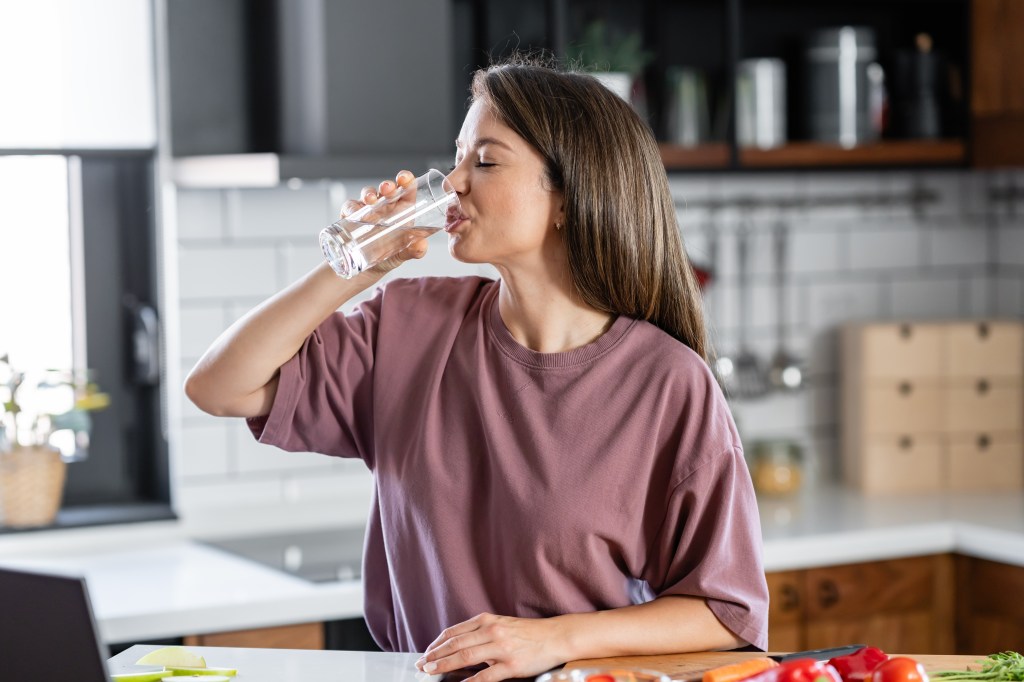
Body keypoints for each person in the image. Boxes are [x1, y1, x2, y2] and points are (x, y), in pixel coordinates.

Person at [185, 56, 769, 682]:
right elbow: (219, 387)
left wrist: (550, 641)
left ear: (569, 197)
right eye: (459, 157)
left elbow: (726, 614)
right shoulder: (408, 325)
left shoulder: (665, 383)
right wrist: (355, 264)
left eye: (485, 161)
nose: (454, 182)